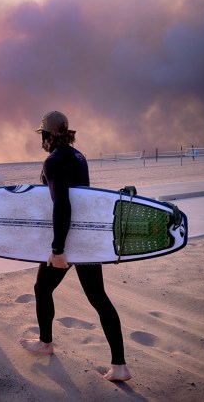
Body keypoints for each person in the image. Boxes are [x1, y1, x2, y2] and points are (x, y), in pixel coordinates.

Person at [19, 111, 131, 382]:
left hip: (70, 241)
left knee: (42, 288)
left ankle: (46, 343)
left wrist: (58, 249)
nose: (41, 141)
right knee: (99, 298)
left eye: (42, 135)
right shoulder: (77, 155)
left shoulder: (53, 160)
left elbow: (63, 204)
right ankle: (120, 367)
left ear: (48, 134)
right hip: (87, 239)